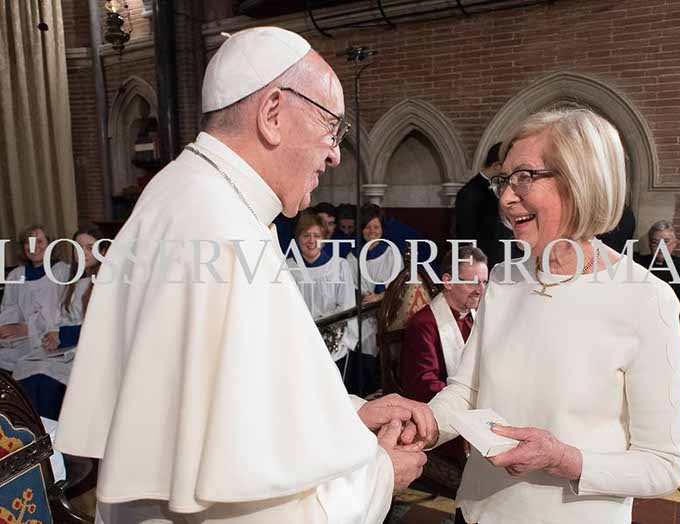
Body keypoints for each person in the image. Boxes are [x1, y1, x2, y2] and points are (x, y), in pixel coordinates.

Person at [56, 27, 435, 524]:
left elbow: (236, 399)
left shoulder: (184, 194)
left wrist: (350, 412)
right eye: (331, 127)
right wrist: (380, 474)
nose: (335, 153)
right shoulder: (221, 229)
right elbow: (251, 504)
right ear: (273, 113)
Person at [426, 108, 680, 524]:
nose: (505, 198)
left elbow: (664, 464)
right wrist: (424, 424)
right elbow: (466, 390)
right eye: (503, 181)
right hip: (476, 511)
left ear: (580, 181)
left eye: (524, 178)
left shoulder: (646, 298)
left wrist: (563, 459)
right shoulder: (504, 278)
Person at [401, 246, 487, 463]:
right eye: (472, 282)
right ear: (448, 281)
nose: (480, 290)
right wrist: (474, 399)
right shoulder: (424, 324)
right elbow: (422, 383)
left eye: (484, 282)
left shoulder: (475, 316)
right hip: (440, 416)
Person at [13, 227, 103, 419]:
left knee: (47, 383)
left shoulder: (103, 282)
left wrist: (61, 335)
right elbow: (63, 317)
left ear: (102, 251)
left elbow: (100, 327)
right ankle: (32, 431)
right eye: (78, 247)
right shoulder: (75, 281)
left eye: (90, 248)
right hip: (68, 346)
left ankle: (51, 433)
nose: (83, 253)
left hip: (89, 349)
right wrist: (54, 335)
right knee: (29, 379)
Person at [287, 214, 357, 374]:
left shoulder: (339, 266)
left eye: (316, 235)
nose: (311, 241)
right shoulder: (288, 268)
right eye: (306, 235)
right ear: (298, 239)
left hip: (332, 344)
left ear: (324, 239)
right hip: (299, 342)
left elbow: (347, 305)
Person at [347, 204, 404, 395]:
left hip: (386, 312)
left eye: (376, 227)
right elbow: (350, 287)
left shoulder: (391, 254)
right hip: (362, 313)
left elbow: (399, 286)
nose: (371, 231)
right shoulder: (352, 257)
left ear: (382, 229)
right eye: (367, 227)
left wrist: (379, 297)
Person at [0, 225, 69, 374]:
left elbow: (64, 312)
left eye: (39, 241)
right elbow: (9, 309)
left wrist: (30, 329)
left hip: (51, 341)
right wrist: (7, 328)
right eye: (28, 242)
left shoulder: (63, 272)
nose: (33, 246)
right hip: (21, 341)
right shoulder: (15, 275)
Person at [455, 142, 520, 269]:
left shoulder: (498, 186)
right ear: (496, 166)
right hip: (486, 261)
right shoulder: (470, 193)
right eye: (507, 167)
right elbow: (466, 235)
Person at [635, 220, 680, 326]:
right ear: (649, 244)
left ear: (674, 244)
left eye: (666, 242)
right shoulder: (638, 264)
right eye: (655, 242)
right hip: (642, 320)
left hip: (671, 321)